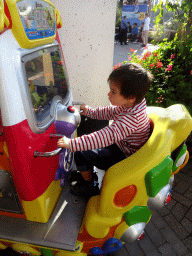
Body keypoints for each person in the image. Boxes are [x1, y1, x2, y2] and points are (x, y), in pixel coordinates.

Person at [57, 63, 153, 199]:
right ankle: (87, 172)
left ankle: (89, 186)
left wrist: (71, 144)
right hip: (122, 145)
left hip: (125, 159)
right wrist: (90, 111)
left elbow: (102, 137)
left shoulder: (131, 120)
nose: (108, 94)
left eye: (113, 92)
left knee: (80, 150)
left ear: (131, 97)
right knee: (86, 142)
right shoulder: (133, 104)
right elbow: (110, 112)